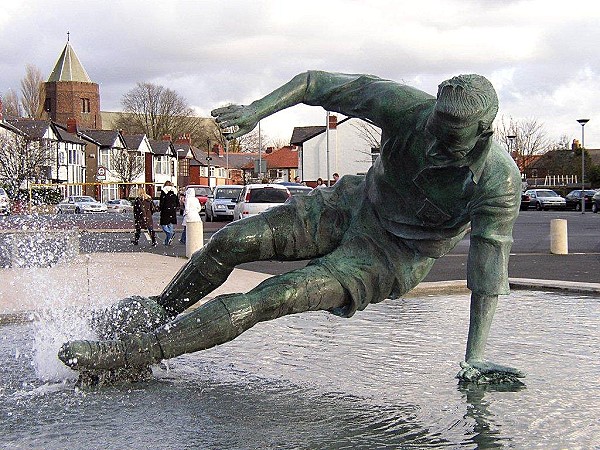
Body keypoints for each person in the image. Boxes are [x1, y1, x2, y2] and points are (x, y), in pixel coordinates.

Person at [59, 71, 523, 384]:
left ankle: (133, 354)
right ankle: (159, 309)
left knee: (270, 297)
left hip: (391, 255)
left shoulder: (499, 181)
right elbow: (313, 82)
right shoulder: (409, 108)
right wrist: (254, 112)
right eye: (435, 126)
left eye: (452, 138)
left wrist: (474, 357)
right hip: (354, 202)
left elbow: (486, 275)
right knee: (232, 240)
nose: (435, 141)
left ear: (484, 131)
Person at [159, 181, 178, 246]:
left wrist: (160, 208)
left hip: (165, 210)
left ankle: (170, 234)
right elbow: (177, 201)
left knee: (164, 224)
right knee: (170, 224)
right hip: (172, 210)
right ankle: (167, 241)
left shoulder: (164, 191)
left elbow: (162, 201)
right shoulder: (175, 192)